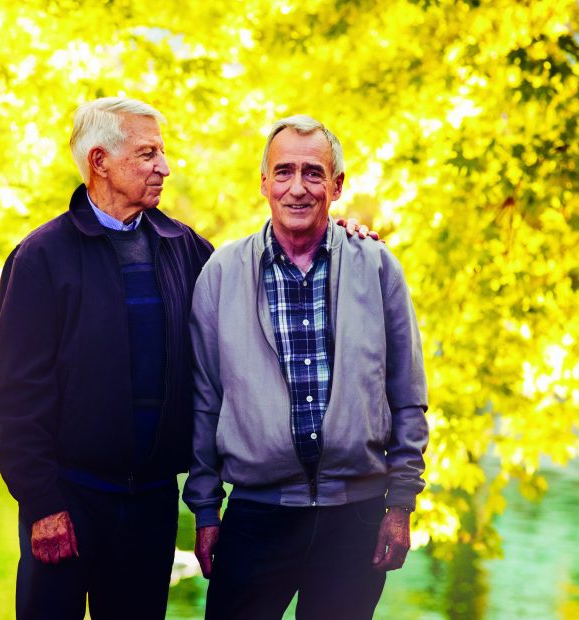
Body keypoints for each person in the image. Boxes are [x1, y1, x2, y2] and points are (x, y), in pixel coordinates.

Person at [0, 99, 376, 619]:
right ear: (100, 161)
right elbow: (15, 403)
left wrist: (337, 235)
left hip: (151, 504)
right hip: (68, 500)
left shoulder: (185, 249)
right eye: (148, 154)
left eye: (162, 153)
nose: (164, 167)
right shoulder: (41, 259)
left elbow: (265, 274)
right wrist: (42, 503)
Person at [184, 115, 429, 620]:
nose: (298, 188)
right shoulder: (222, 274)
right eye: (284, 172)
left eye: (314, 173)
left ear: (337, 186)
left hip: (355, 518)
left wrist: (400, 504)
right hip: (256, 515)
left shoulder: (378, 267)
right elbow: (204, 403)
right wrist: (207, 511)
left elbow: (407, 394)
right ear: (264, 182)